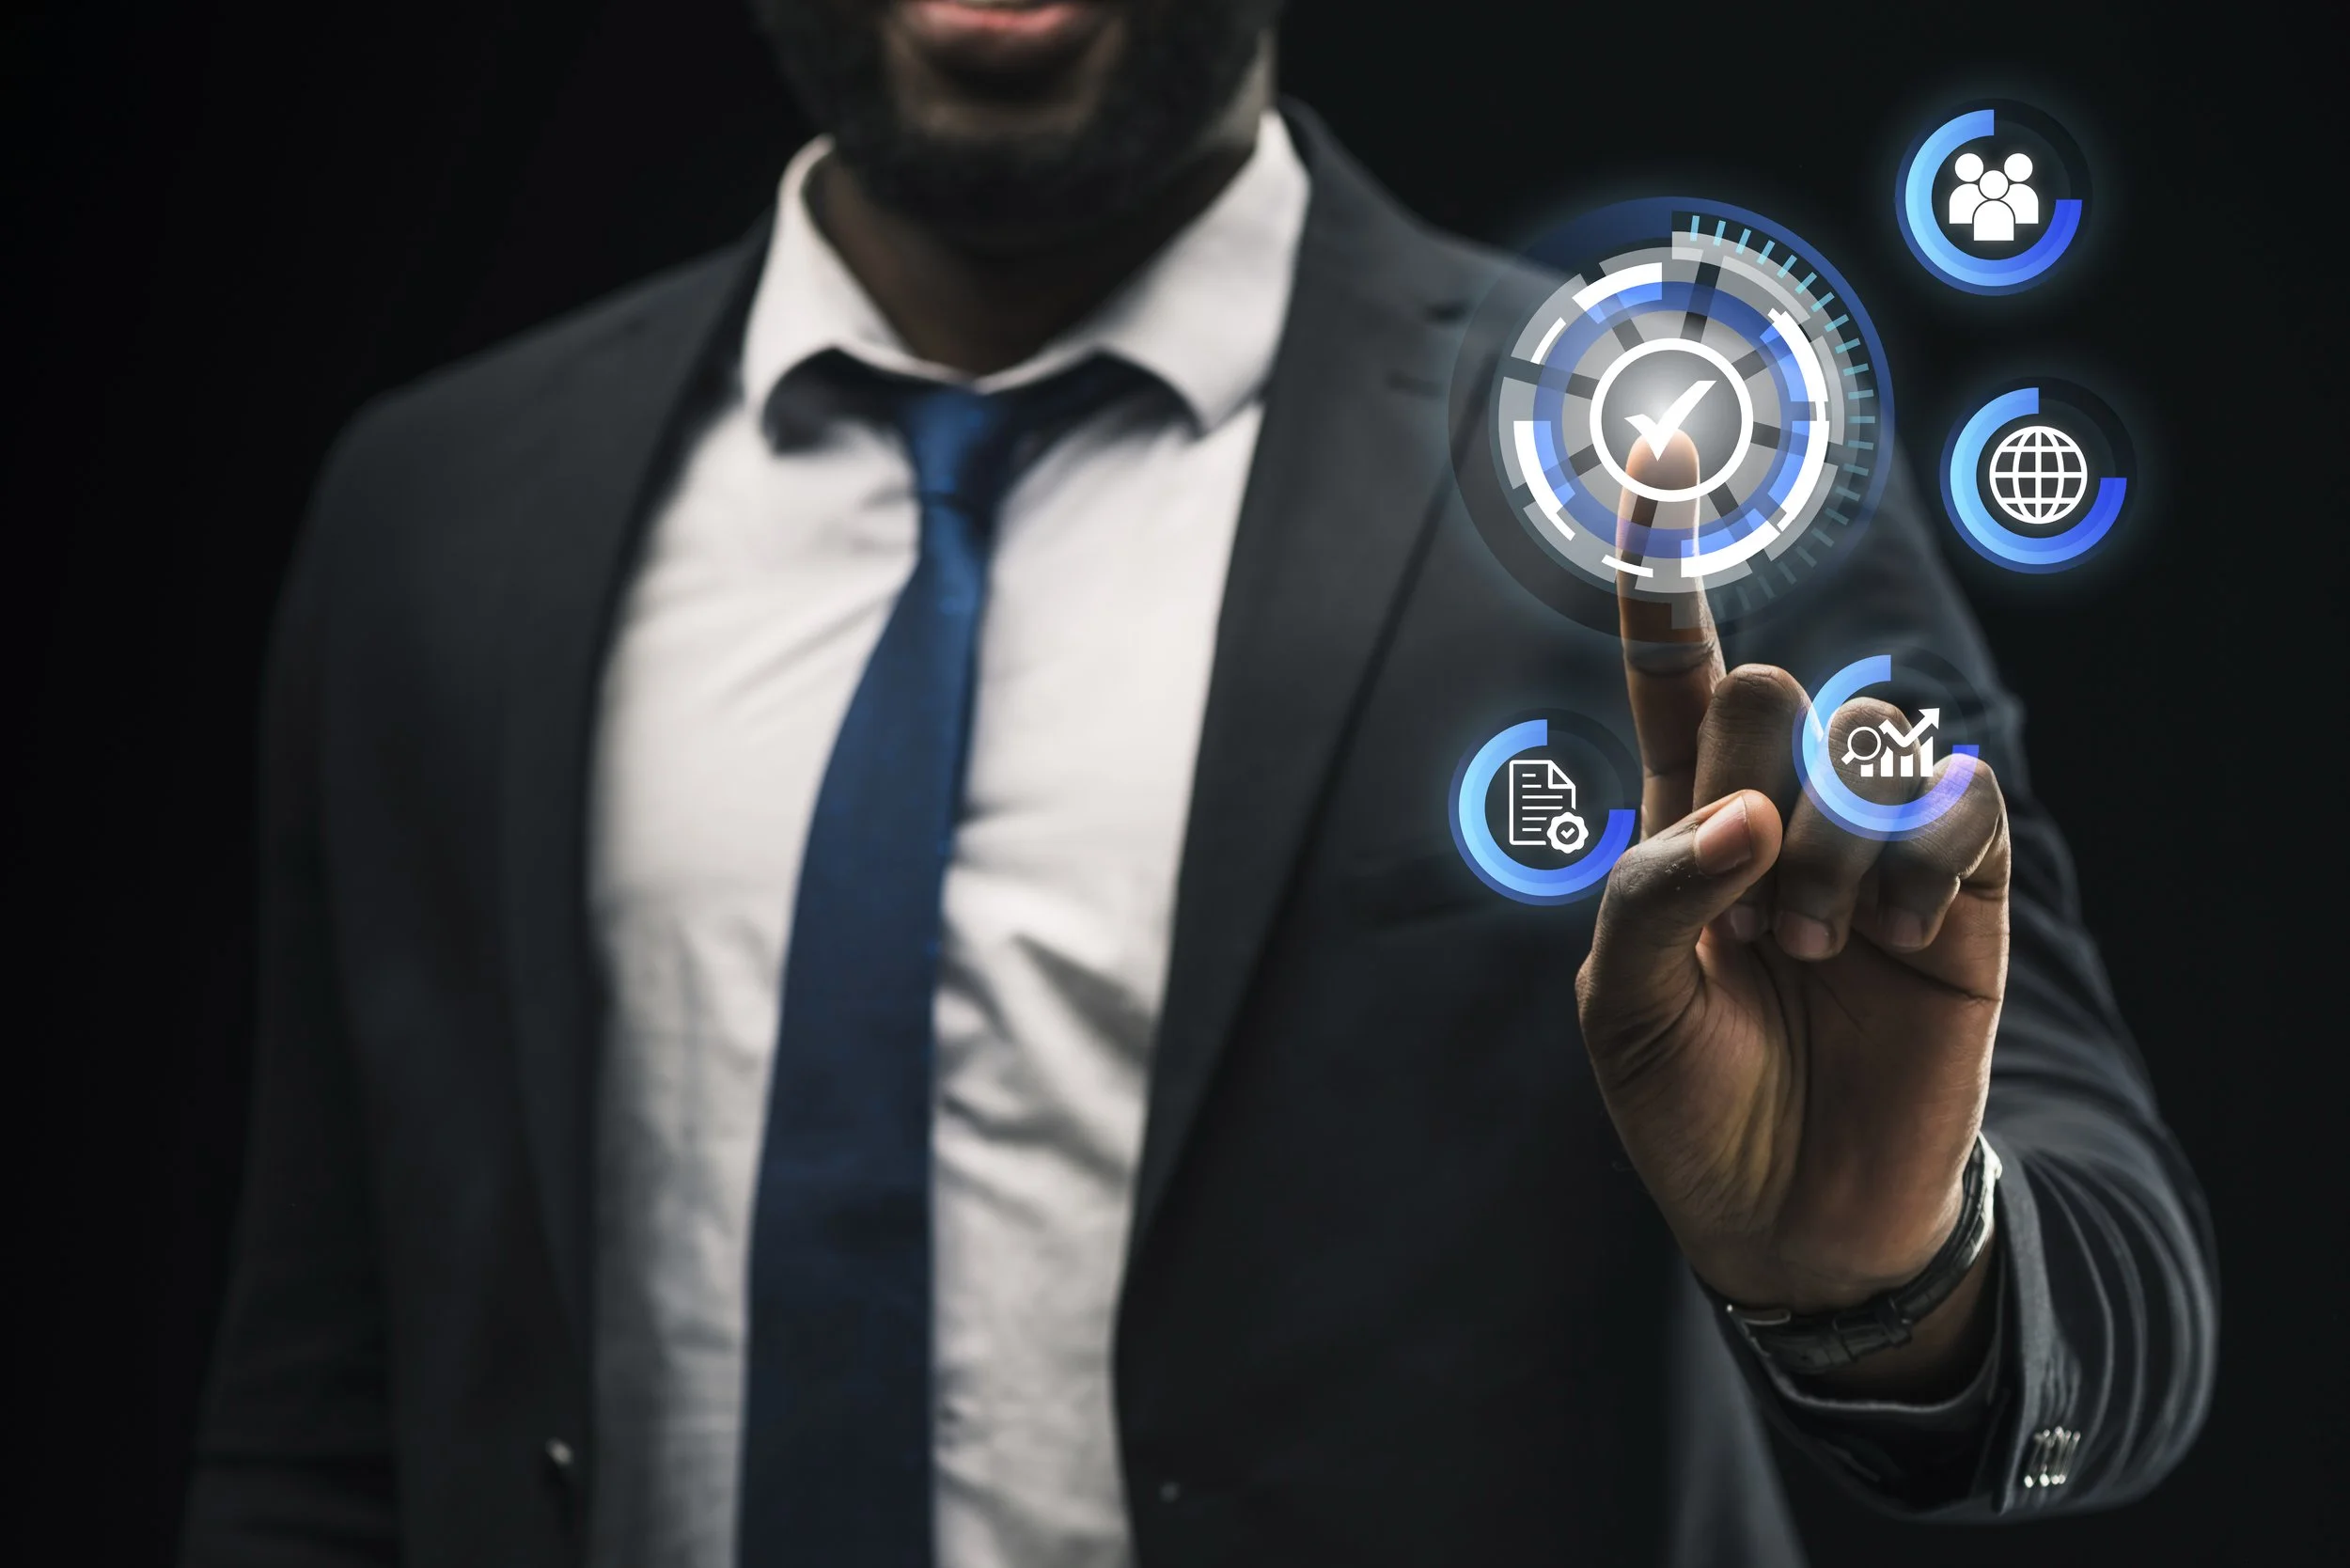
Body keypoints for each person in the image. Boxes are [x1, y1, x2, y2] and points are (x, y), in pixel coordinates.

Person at [180, 2, 2216, 1564]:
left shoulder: (1676, 486)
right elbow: (323, 1412)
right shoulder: (432, 516)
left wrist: (1897, 1284)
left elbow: (2117, 1326)